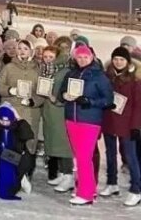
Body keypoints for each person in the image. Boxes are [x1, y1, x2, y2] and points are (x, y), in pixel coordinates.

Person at [63, 44, 114, 205]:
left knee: (85, 157)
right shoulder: (72, 73)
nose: (82, 60)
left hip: (90, 121)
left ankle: (85, 195)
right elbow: (62, 91)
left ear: (91, 57)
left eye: (86, 57)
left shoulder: (99, 76)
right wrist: (65, 94)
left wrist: (89, 101)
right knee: (79, 158)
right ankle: (87, 188)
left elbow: (108, 100)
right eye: (79, 57)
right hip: (72, 118)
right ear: (75, 58)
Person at [101, 46, 141, 205]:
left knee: (131, 158)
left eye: (122, 59)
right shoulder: (107, 76)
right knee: (110, 154)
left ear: (127, 61)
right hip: (109, 121)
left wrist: (136, 126)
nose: (118, 62)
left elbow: (139, 106)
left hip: (127, 124)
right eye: (116, 59)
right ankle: (112, 183)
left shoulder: (134, 81)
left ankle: (136, 189)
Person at [0, 103, 34, 199]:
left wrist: (18, 117)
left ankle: (21, 177)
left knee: (25, 159)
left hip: (13, 156)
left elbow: (27, 134)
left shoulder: (17, 126)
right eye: (1, 120)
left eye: (7, 120)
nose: (4, 123)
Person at [39, 45, 74, 192]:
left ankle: (68, 175)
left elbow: (68, 91)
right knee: (54, 143)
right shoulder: (48, 69)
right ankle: (63, 173)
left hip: (59, 112)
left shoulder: (65, 71)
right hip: (48, 111)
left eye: (52, 57)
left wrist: (57, 100)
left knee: (63, 144)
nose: (48, 60)